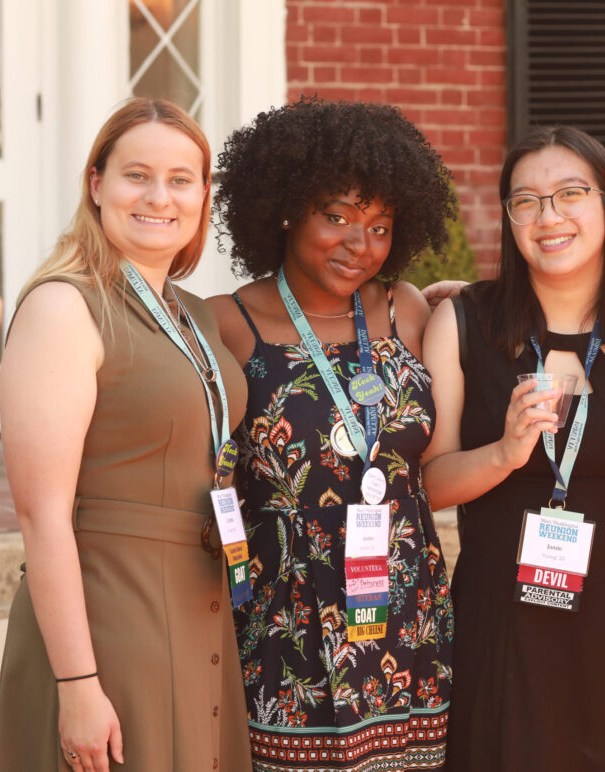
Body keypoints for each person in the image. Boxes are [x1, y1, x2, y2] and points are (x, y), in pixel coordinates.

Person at [421, 125, 605, 771]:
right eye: (526, 201)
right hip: (501, 615)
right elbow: (427, 485)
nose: (549, 217)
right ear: (509, 217)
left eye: (571, 193)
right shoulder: (461, 322)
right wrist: (502, 454)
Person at [0, 98, 250, 771]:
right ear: (97, 183)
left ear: (203, 194)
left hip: (199, 604)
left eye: (180, 179)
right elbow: (41, 514)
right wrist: (78, 683)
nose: (159, 197)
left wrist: (429, 301)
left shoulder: (193, 314)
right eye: (137, 175)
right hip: (110, 617)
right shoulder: (63, 305)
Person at [209, 97, 456, 771]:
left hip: (404, 603)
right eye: (337, 217)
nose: (359, 244)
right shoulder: (226, 324)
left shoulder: (407, 310)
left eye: (379, 227)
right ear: (286, 208)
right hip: (284, 614)